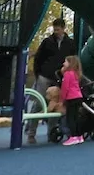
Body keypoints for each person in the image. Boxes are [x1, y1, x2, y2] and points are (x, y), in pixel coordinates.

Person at [27, 17, 77, 145]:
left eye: (58, 30)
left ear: (63, 29)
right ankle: (31, 133)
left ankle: (52, 133)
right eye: (54, 30)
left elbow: (73, 60)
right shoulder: (47, 42)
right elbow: (38, 58)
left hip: (58, 78)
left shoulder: (70, 44)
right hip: (44, 76)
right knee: (39, 102)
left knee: (56, 104)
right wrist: (38, 74)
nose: (56, 32)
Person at [60, 55, 85, 146]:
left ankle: (73, 136)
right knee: (76, 117)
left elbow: (65, 88)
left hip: (71, 98)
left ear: (70, 63)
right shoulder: (76, 73)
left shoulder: (67, 74)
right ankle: (79, 136)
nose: (63, 63)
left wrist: (62, 99)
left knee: (70, 118)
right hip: (78, 97)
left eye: (65, 62)